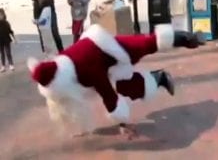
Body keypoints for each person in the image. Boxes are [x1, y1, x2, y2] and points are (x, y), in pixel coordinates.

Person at [27, 24, 205, 137]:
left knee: (147, 43)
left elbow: (108, 95)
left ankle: (187, 38)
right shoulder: (62, 66)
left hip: (112, 49)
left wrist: (123, 121)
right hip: (109, 66)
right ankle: (160, 78)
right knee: (131, 87)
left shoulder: (84, 71)